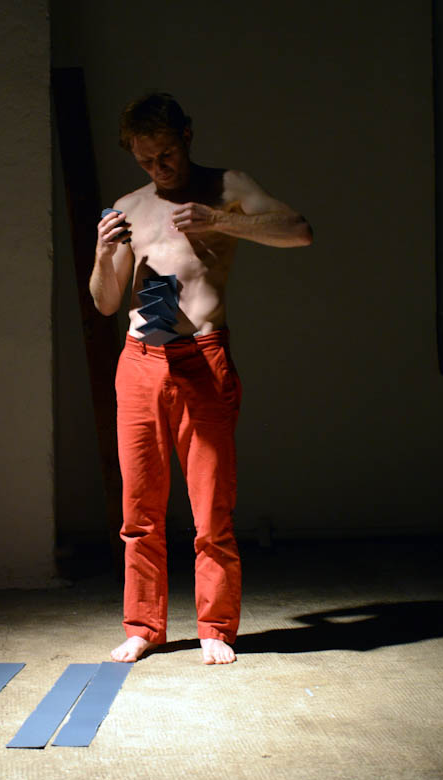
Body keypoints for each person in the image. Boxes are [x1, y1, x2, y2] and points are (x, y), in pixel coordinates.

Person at [92, 93, 312, 665]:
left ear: (186, 136)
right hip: (140, 360)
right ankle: (144, 626)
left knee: (211, 506)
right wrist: (102, 254)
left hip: (201, 357)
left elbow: (298, 230)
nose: (158, 168)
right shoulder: (130, 206)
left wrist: (220, 220)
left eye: (165, 154)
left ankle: (215, 626)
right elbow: (106, 301)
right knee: (139, 509)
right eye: (145, 160)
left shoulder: (225, 186)